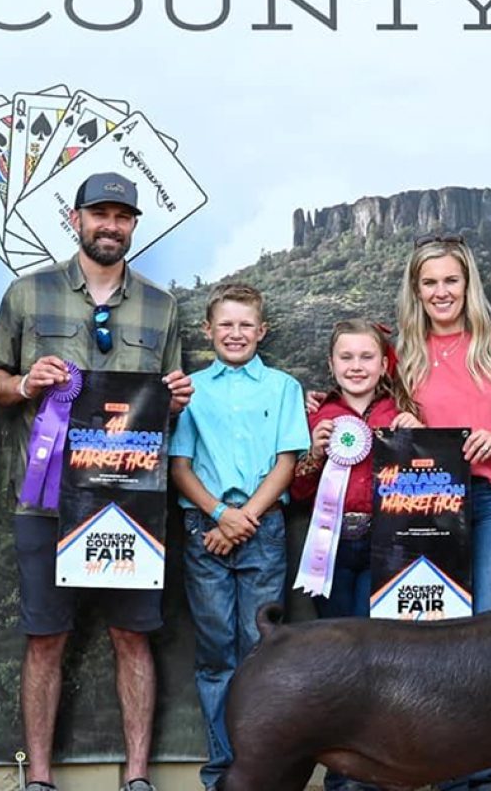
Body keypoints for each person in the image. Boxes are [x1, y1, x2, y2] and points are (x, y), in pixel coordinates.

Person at [0, 172, 193, 791]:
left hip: (131, 504)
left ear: (133, 226)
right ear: (75, 220)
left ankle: (138, 778)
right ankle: (39, 779)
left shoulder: (162, 305)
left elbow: (169, 395)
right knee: (46, 637)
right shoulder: (28, 293)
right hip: (44, 502)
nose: (110, 225)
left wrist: (175, 395)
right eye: (99, 214)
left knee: (132, 635)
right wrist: (24, 384)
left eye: (122, 217)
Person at [393, 233, 491, 791]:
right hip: (432, 505)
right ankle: (445, 769)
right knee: (438, 638)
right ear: (417, 289)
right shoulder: (404, 353)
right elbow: (372, 405)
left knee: (490, 634)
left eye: (451, 281)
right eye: (430, 282)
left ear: (468, 284)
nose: (441, 292)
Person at [169, 282, 310, 791]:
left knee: (260, 652)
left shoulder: (282, 387)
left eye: (245, 325)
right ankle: (220, 774)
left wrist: (244, 517)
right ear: (208, 330)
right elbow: (179, 465)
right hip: (203, 529)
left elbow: (287, 462)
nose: (235, 333)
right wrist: (218, 514)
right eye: (225, 324)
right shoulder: (191, 389)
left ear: (262, 331)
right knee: (215, 655)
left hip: (263, 528)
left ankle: (260, 774)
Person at [290, 319, 420, 791]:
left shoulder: (401, 411)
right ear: (331, 363)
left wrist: (417, 436)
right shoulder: (316, 414)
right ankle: (343, 777)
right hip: (331, 545)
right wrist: (314, 452)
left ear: (384, 362)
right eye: (346, 358)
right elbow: (300, 491)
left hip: (388, 545)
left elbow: (425, 483)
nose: (356, 366)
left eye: (366, 357)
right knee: (338, 661)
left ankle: (382, 774)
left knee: (379, 657)